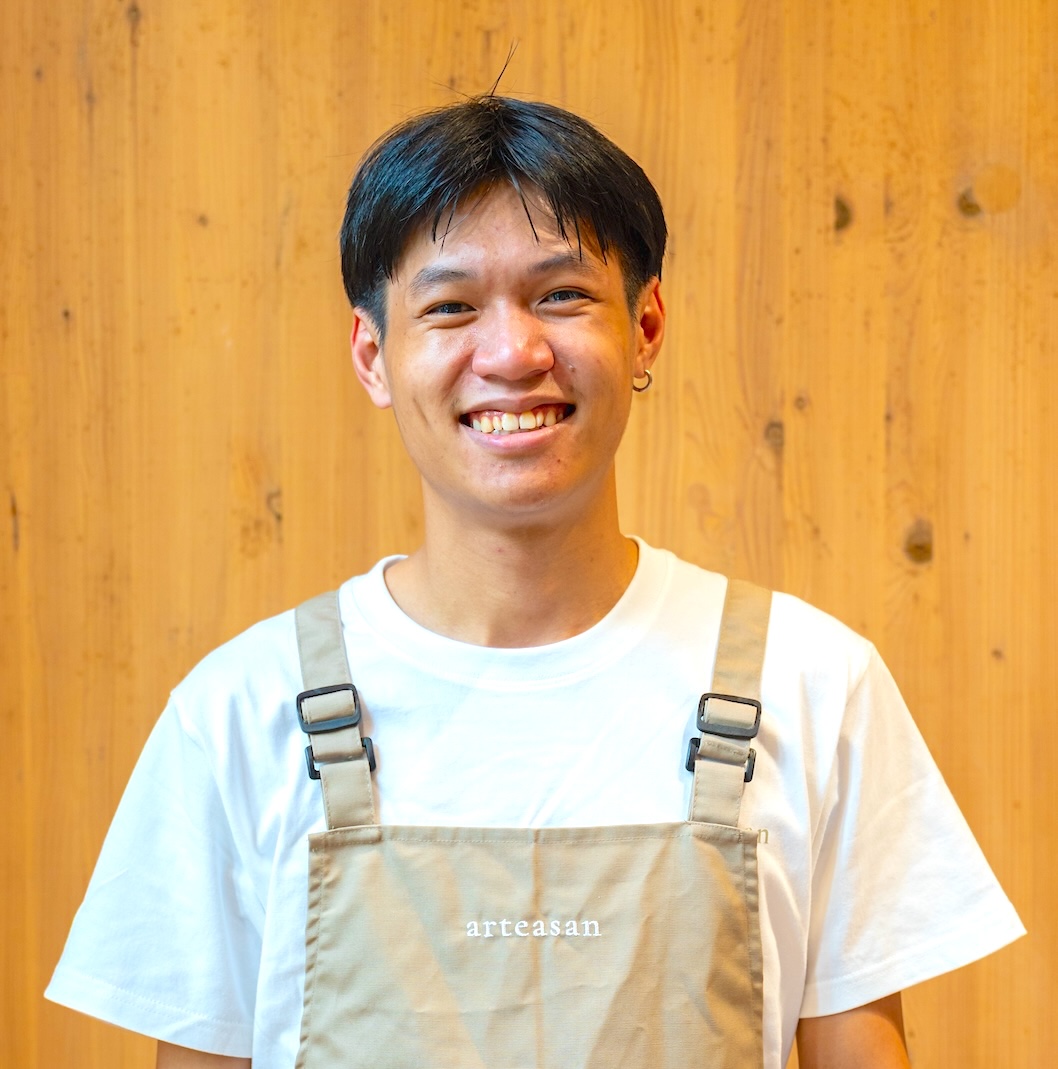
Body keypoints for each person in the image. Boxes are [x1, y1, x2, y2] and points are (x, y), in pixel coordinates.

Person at [47, 95, 1023, 1069]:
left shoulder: (810, 683)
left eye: (560, 295)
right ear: (372, 355)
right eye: (449, 307)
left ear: (645, 326)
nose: (513, 354)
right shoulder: (241, 711)